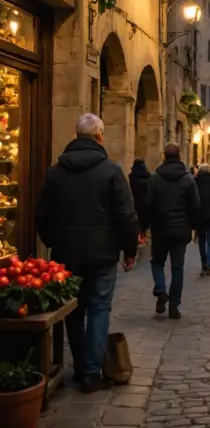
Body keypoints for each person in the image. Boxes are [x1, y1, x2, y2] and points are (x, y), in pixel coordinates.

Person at [35, 114, 139, 393]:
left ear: (75, 134)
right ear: (100, 136)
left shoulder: (56, 172)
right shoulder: (112, 171)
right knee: (99, 308)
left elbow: (42, 215)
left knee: (73, 310)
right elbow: (126, 216)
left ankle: (82, 365)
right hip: (103, 254)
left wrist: (54, 241)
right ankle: (91, 372)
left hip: (66, 253)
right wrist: (129, 250)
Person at [144, 142, 200, 319]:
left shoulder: (155, 178)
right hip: (180, 229)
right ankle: (174, 306)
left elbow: (148, 205)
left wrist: (144, 226)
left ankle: (161, 289)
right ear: (180, 155)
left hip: (160, 228)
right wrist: (193, 226)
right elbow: (195, 206)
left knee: (157, 262)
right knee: (177, 268)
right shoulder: (188, 179)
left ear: (164, 156)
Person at [128, 157, 151, 242]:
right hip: (145, 203)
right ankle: (143, 236)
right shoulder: (148, 176)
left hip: (135, 202)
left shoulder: (131, 176)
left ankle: (137, 236)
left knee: (136, 221)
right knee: (144, 221)